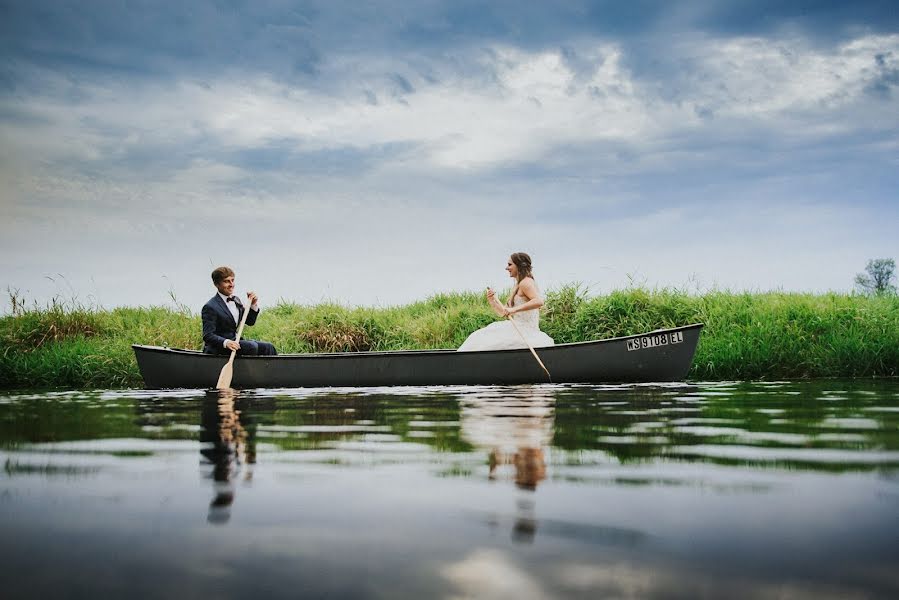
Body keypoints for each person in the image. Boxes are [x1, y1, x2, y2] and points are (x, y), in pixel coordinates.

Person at [458, 252, 555, 352]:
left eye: (510, 265)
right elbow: (503, 312)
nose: (506, 268)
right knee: (480, 336)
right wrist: (492, 301)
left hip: (527, 331)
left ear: (519, 266)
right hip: (517, 327)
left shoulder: (526, 282)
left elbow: (539, 301)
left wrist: (513, 309)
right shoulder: (517, 285)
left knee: (485, 339)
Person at [202, 266, 277, 356]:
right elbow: (208, 335)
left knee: (269, 347)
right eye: (226, 281)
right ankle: (248, 370)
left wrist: (253, 304)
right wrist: (226, 343)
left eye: (232, 280)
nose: (231, 284)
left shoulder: (236, 300)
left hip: (236, 342)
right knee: (251, 346)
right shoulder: (210, 307)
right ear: (217, 284)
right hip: (219, 348)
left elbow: (250, 321)